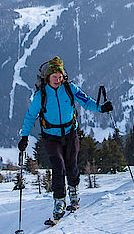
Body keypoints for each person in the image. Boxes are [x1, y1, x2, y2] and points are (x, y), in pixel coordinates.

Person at [18, 56, 113, 222]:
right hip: (51, 138)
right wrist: (24, 136)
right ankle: (59, 201)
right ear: (47, 77)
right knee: (58, 167)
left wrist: (101, 108)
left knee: (71, 165)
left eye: (59, 76)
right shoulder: (41, 95)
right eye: (54, 76)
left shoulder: (70, 88)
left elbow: (86, 101)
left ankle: (74, 196)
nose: (57, 79)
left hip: (70, 134)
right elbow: (30, 116)